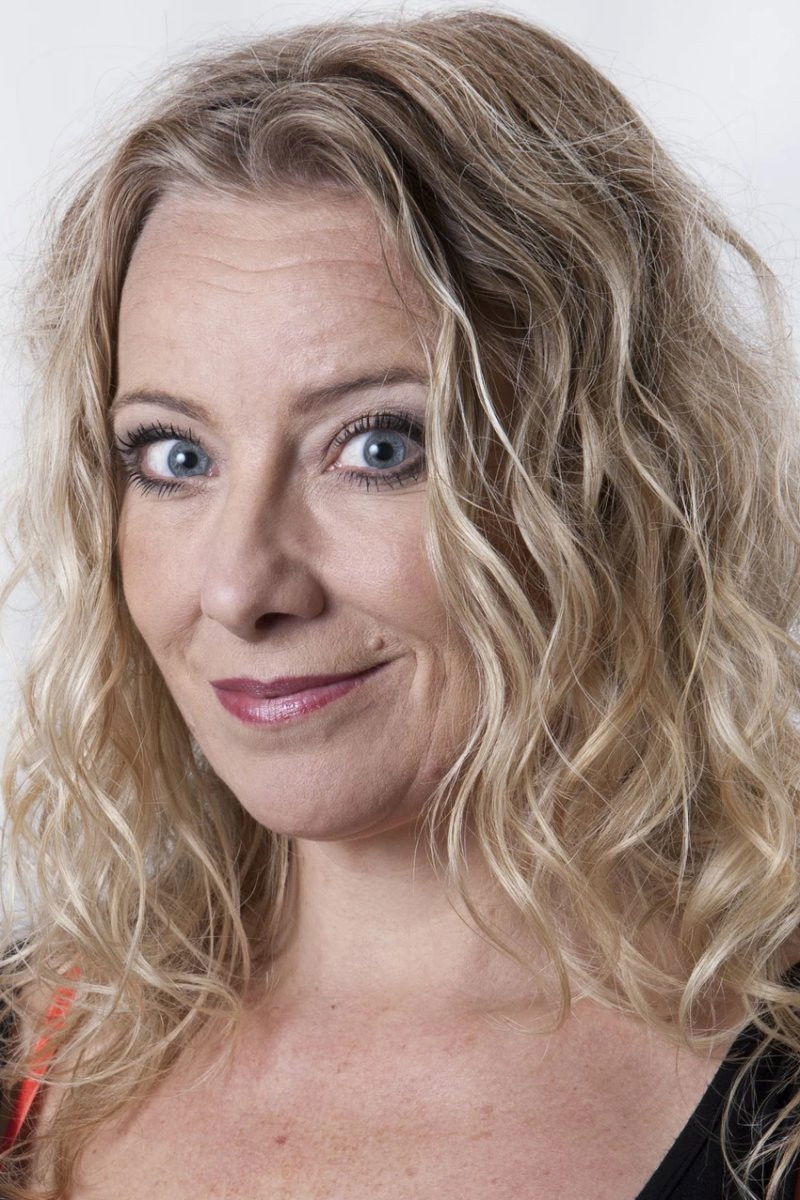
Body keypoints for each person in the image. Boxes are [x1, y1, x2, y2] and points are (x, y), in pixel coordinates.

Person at [1, 6, 799, 1198]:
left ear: (607, 471)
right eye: (173, 456)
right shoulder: (31, 1042)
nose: (240, 586)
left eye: (377, 447)